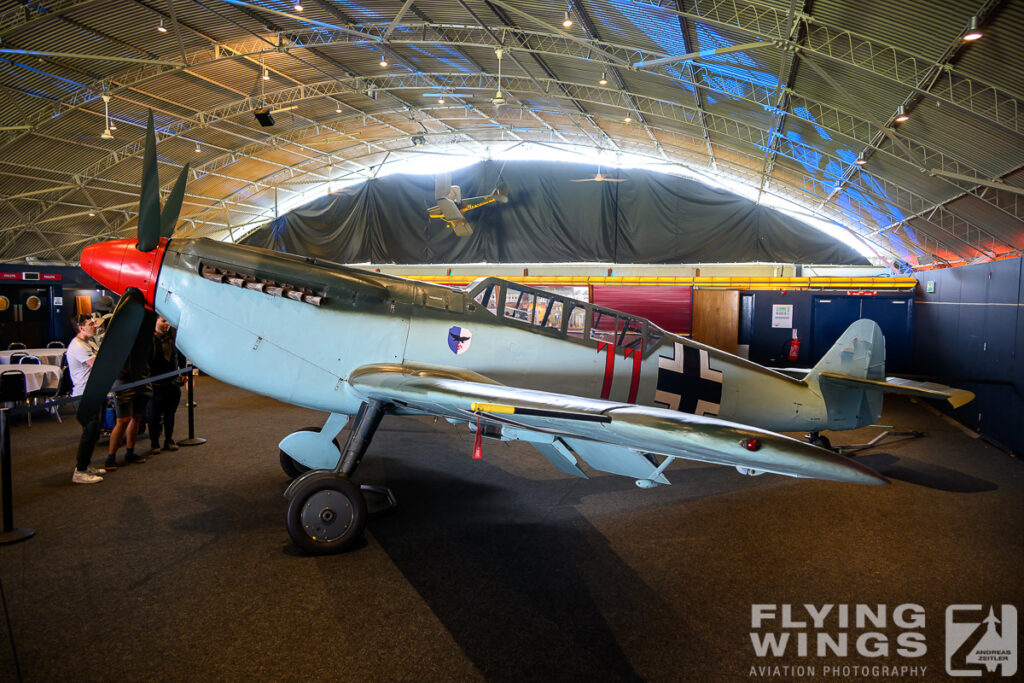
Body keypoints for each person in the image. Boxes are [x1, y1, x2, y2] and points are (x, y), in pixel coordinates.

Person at [67, 314, 106, 484]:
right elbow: (97, 365)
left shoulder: (88, 342)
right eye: (91, 324)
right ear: (81, 327)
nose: (95, 327)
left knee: (94, 432)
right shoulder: (77, 346)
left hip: (93, 392)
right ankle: (80, 471)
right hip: (83, 395)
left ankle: (85, 466)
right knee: (89, 433)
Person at [104, 334, 152, 471]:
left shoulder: (145, 336)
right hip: (124, 381)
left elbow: (150, 355)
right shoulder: (119, 336)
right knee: (123, 420)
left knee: (136, 417)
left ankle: (130, 452)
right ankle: (110, 457)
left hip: (142, 379)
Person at [147, 316, 184, 454]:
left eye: (168, 320)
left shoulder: (174, 338)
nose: (167, 323)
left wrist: (183, 371)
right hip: (155, 383)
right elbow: (144, 361)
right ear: (155, 321)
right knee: (154, 415)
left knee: (170, 413)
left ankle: (169, 439)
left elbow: (180, 355)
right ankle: (154, 443)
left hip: (173, 382)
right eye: (163, 321)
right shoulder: (149, 340)